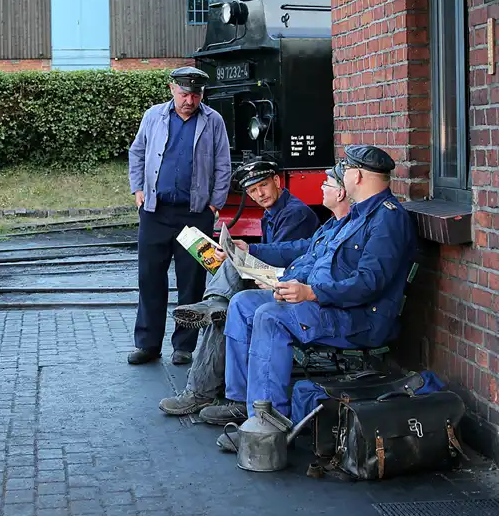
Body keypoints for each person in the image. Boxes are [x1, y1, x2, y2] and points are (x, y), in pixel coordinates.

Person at [198, 145, 418, 435]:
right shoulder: (360, 215)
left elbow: (368, 284)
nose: (341, 175)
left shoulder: (387, 219)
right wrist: (284, 279)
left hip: (360, 318)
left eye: (346, 169)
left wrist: (311, 293)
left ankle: (269, 423)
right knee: (242, 303)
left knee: (270, 316)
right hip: (333, 305)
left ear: (359, 176)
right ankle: (241, 401)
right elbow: (312, 256)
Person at [158, 157, 321, 416]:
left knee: (227, 307)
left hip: (291, 288)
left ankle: (200, 392)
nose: (259, 194)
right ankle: (215, 308)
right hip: (281, 281)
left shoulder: (295, 213)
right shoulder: (277, 211)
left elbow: (290, 258)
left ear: (277, 182)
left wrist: (250, 254)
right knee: (224, 308)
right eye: (253, 191)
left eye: (263, 186)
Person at [127, 66, 231, 366]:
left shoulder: (213, 121)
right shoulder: (153, 116)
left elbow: (223, 165)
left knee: (192, 282)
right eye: (184, 94)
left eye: (195, 95)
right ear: (172, 89)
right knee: (149, 279)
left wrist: (214, 205)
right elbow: (138, 152)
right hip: (155, 213)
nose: (189, 101)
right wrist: (138, 189)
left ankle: (183, 346)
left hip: (196, 214)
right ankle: (147, 344)